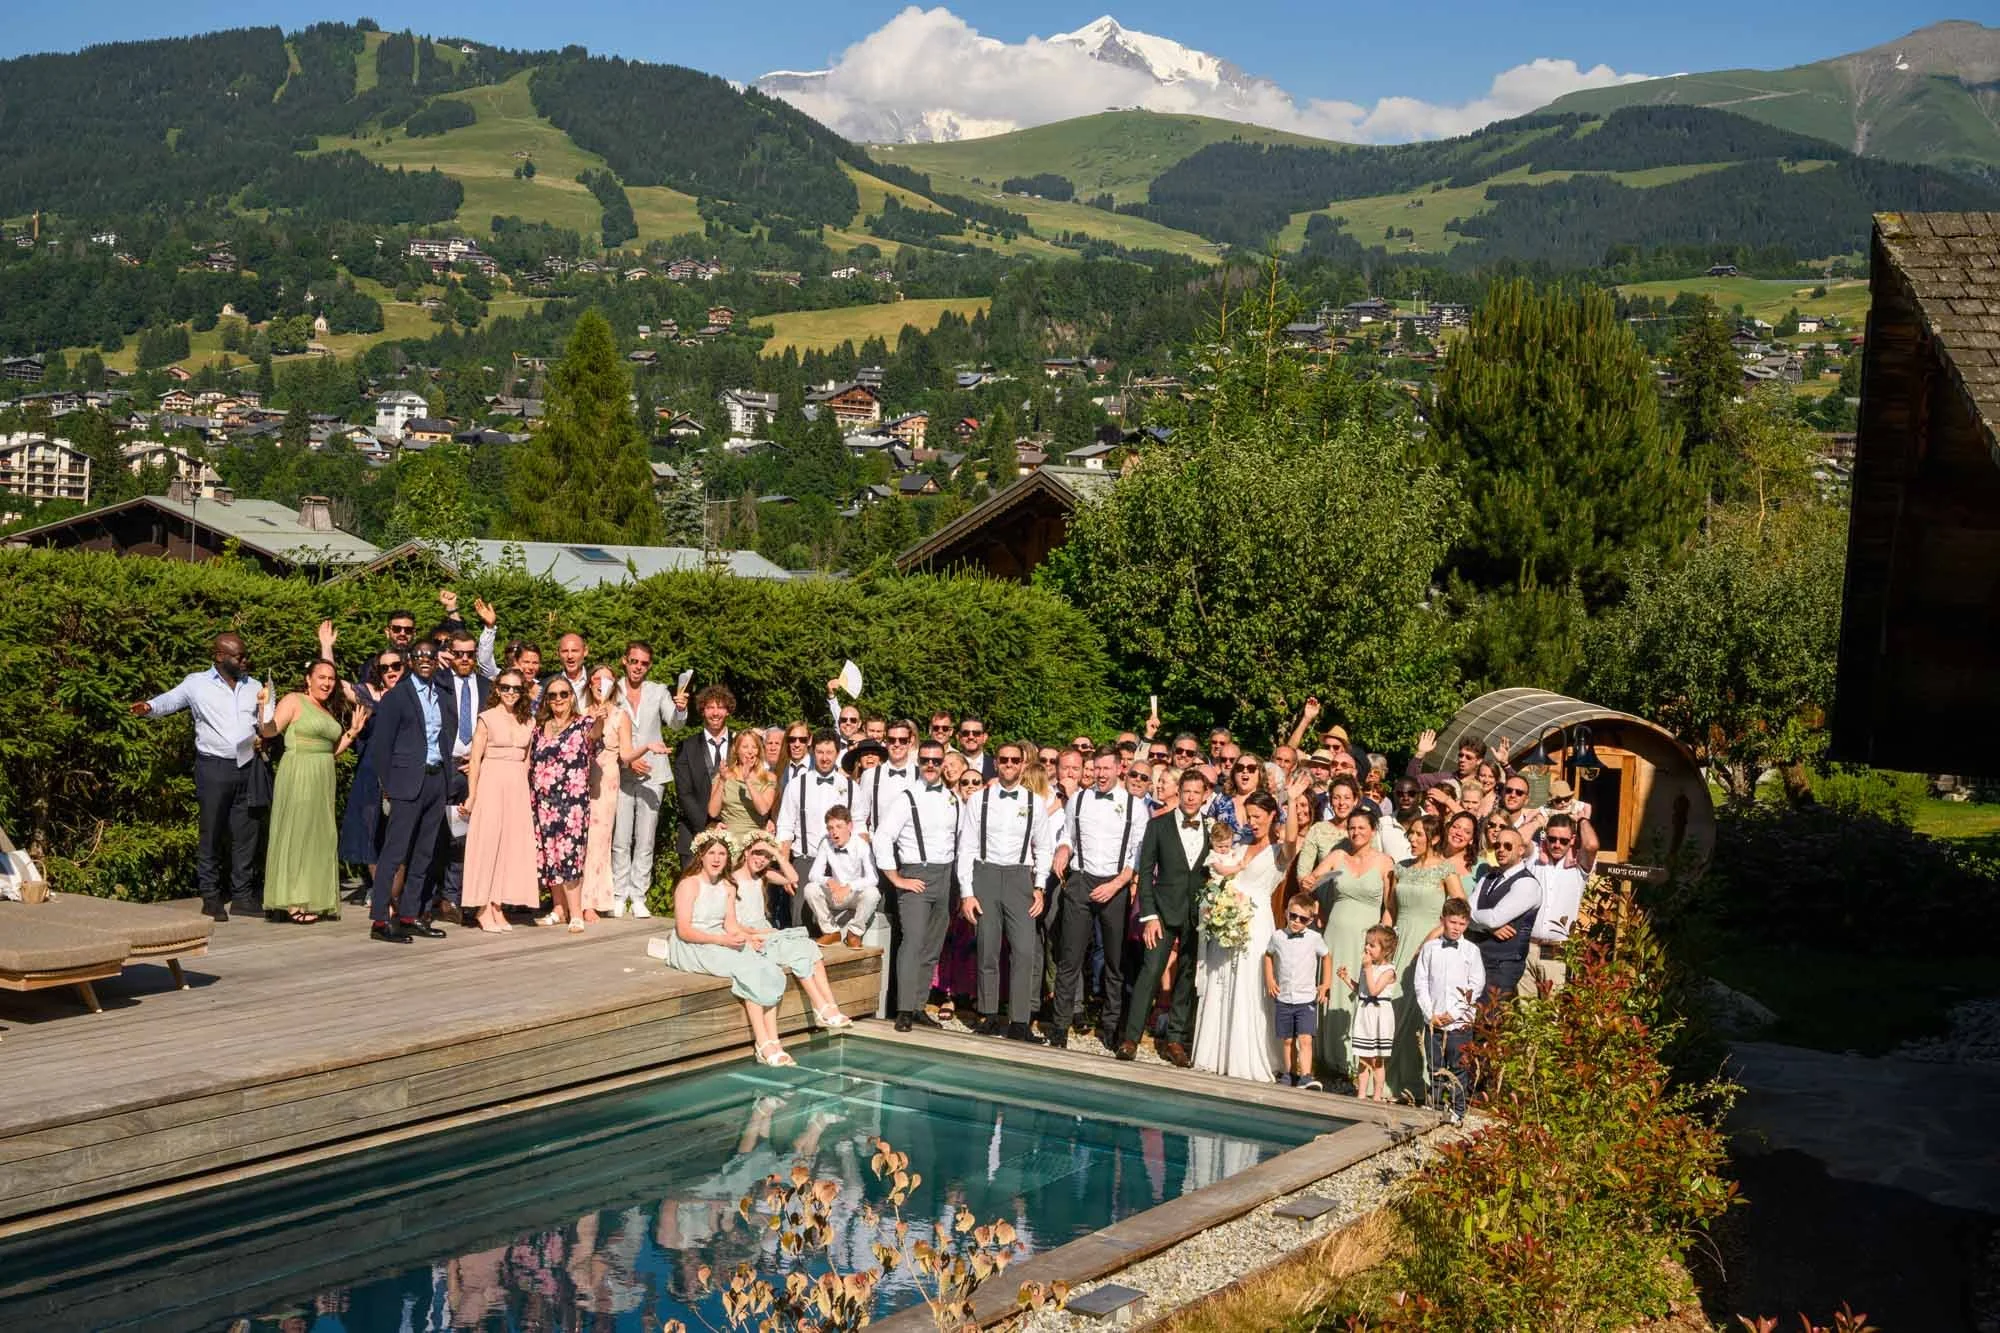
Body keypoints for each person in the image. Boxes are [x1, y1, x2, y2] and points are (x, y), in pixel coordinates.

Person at [130, 631, 264, 922]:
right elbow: (170, 700)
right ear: (220, 657)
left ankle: (242, 897)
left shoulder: (254, 686)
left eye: (245, 656)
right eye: (239, 656)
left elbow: (265, 721)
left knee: (246, 834)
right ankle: (211, 898)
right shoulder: (197, 683)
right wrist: (149, 707)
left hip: (248, 767)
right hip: (214, 768)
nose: (245, 661)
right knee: (211, 833)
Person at [651, 831, 800, 1068]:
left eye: (722, 854)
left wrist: (746, 939)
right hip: (694, 945)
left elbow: (730, 924)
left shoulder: (728, 885)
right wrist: (721, 941)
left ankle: (774, 1039)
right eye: (712, 853)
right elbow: (684, 930)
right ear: (701, 855)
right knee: (748, 970)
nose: (717, 859)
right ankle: (762, 1043)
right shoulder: (689, 885)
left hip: (721, 938)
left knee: (767, 965)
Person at [956, 741, 1054, 1042]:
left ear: (1023, 765)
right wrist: (966, 892)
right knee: (987, 948)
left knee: (1024, 951)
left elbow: (1044, 847)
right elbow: (966, 847)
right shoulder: (979, 800)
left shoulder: (1034, 802)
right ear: (996, 763)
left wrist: (1040, 885)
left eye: (1015, 760)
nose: (1009, 764)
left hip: (1020, 878)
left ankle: (1020, 1021)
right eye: (1004, 759)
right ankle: (988, 1015)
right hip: (985, 874)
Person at [1048, 751, 1147, 1050]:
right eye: (1097, 768)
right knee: (1070, 958)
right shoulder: (1079, 800)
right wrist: (1063, 849)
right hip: (1081, 881)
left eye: (1107, 768)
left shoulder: (1135, 806)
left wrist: (1116, 884)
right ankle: (1060, 1026)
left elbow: (1138, 854)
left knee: (1115, 962)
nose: (1101, 774)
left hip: (1115, 885)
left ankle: (1111, 1027)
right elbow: (1068, 835)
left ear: (1119, 769)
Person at [364, 640, 457, 943]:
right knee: (395, 852)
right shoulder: (397, 696)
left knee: (424, 853)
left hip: (436, 780)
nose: (425, 660)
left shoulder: (442, 694)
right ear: (410, 661)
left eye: (430, 656)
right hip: (406, 783)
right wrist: (389, 786)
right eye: (419, 656)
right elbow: (381, 747)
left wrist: (448, 777)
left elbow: (446, 735)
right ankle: (380, 920)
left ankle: (409, 915)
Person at [1190, 790, 1283, 1083]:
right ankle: (1215, 1054)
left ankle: (1246, 1056)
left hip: (1257, 921)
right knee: (1221, 979)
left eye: (1258, 817)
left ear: (1272, 816)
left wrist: (1290, 800)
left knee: (1249, 982)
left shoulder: (1280, 851)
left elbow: (1292, 840)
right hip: (1228, 916)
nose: (1252, 822)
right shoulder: (1239, 846)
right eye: (1249, 816)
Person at [260, 659, 361, 923]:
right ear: (308, 679)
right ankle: (293, 901)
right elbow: (270, 730)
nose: (327, 683)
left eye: (331, 679)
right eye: (321, 677)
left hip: (323, 777)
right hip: (299, 773)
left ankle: (311, 896)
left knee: (320, 836)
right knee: (298, 832)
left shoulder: (325, 709)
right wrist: (263, 709)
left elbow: (331, 751)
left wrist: (352, 732)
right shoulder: (294, 701)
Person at [875, 740, 960, 1030]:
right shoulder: (906, 798)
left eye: (936, 760)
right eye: (925, 760)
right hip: (916, 874)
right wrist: (896, 878)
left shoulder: (952, 798)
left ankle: (919, 1006)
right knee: (912, 942)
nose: (931, 765)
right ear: (919, 762)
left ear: (944, 763)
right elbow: (882, 837)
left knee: (933, 945)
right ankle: (904, 1009)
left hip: (945, 876)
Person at [733, 832, 854, 1028]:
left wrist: (777, 854)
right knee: (798, 953)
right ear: (746, 852)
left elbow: (793, 877)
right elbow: (731, 922)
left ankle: (830, 1005)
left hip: (766, 930)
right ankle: (821, 1007)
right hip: (749, 934)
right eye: (757, 853)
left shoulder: (763, 875)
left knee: (810, 947)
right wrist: (756, 934)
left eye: (766, 856)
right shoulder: (731, 880)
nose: (761, 860)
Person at [1315, 807, 1397, 1084]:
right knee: (1335, 988)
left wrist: (1382, 941)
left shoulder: (1384, 862)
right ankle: (1329, 1058)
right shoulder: (1339, 857)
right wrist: (1313, 883)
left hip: (1367, 941)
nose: (1356, 832)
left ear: (1373, 831)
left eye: (1362, 827)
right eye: (1351, 828)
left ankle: (1357, 1062)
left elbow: (1390, 906)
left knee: (1360, 992)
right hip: (1335, 934)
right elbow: (1313, 881)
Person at [612, 641, 688, 919]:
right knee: (620, 838)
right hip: (621, 771)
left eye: (644, 663)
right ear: (625, 661)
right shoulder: (612, 689)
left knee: (645, 839)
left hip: (653, 774)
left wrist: (680, 709)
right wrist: (627, 759)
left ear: (649, 666)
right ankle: (619, 894)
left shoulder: (658, 691)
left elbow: (675, 724)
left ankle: (638, 896)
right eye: (634, 661)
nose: (638, 667)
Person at [459, 669, 539, 933]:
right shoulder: (487, 718)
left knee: (510, 847)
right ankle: (481, 907)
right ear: (497, 689)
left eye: (516, 688)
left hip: (517, 786)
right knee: (487, 843)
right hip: (492, 781)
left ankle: (497, 905)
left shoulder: (529, 721)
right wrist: (472, 795)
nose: (510, 693)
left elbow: (527, 759)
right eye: (505, 687)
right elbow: (475, 759)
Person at [1390, 813, 1460, 1100]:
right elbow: (1390, 910)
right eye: (1411, 833)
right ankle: (1387, 1078)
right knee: (1392, 1006)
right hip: (1399, 942)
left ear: (1434, 837)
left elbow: (1459, 910)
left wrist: (1435, 934)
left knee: (1416, 1011)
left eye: (1419, 834)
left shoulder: (1445, 870)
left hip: (1427, 943)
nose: (1412, 838)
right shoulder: (1401, 868)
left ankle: (1415, 1083)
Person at [431, 629, 491, 925]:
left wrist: (480, 758)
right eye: (459, 653)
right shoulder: (437, 682)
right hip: (443, 768)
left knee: (463, 836)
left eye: (470, 654)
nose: (465, 659)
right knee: (433, 833)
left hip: (473, 769)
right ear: (450, 653)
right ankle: (427, 897)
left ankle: (452, 898)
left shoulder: (487, 685)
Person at [531, 673, 595, 932]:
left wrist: (601, 718)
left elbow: (596, 734)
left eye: (563, 694)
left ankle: (576, 913)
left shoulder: (583, 723)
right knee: (549, 854)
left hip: (572, 803)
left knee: (570, 855)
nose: (558, 699)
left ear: (572, 697)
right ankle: (558, 909)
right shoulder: (538, 728)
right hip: (543, 802)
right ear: (546, 699)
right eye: (552, 695)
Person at [338, 647, 402, 898]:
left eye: (396, 666)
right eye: (385, 668)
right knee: (371, 832)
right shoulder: (371, 695)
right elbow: (338, 685)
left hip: (403, 773)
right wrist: (327, 647)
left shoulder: (413, 695)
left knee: (399, 835)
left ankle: (395, 894)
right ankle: (382, 893)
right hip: (371, 773)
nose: (391, 671)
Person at [1414, 898, 1484, 1124]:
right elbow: (1421, 982)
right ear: (1442, 920)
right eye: (1453, 922)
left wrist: (1454, 1014)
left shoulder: (1471, 951)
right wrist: (1430, 1014)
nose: (1456, 928)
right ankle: (1434, 1106)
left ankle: (1458, 1110)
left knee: (1458, 1067)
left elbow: (1476, 985)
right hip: (1434, 1020)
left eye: (1462, 924)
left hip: (1459, 1022)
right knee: (1434, 1066)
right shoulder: (1429, 948)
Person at [775, 730, 851, 928]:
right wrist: (785, 868)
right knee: (801, 924)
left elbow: (859, 829)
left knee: (837, 926)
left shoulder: (850, 787)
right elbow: (785, 828)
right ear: (812, 752)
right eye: (820, 752)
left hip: (842, 863)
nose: (825, 758)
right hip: (805, 862)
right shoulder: (796, 786)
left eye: (829, 752)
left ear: (837, 753)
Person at [581, 666, 636, 924]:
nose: (601, 684)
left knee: (599, 841)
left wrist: (647, 749)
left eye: (607, 680)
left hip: (606, 780)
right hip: (579, 778)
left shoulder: (621, 715)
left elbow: (626, 754)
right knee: (578, 840)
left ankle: (592, 901)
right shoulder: (581, 712)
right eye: (596, 679)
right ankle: (572, 899)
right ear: (589, 683)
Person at [1522, 813, 1594, 995]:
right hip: (1527, 947)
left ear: (1572, 840)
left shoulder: (1578, 863)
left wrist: (1582, 820)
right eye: (1552, 839)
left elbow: (1591, 845)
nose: (1557, 845)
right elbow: (1518, 840)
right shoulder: (1534, 857)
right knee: (1524, 1009)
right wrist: (1538, 821)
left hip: (1556, 950)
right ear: (1545, 837)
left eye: (1563, 841)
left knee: (1552, 1009)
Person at [1267, 892, 1333, 1090]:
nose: (1296, 921)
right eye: (1293, 916)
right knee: (1288, 1040)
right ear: (1286, 913)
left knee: (1305, 1038)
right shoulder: (1277, 936)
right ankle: (1289, 1074)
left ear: (1310, 920)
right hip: (1284, 997)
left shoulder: (1314, 938)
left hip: (1306, 999)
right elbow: (1268, 955)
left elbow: (1327, 956)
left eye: (1302, 919)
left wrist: (1325, 984)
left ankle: (1306, 1076)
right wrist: (1270, 979)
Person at [1468, 824, 1542, 999]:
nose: (1501, 850)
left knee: (1491, 1014)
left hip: (1503, 965)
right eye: (1497, 845)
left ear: (1521, 850)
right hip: (1476, 957)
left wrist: (1478, 921)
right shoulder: (1487, 877)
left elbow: (1494, 918)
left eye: (1508, 846)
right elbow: (1467, 912)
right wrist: (1487, 927)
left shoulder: (1527, 883)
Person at [671, 685, 735, 864]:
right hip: (694, 833)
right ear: (702, 711)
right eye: (710, 707)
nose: (715, 713)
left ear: (728, 711)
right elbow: (684, 794)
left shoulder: (741, 744)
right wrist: (707, 826)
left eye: (720, 707)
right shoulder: (686, 747)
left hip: (733, 832)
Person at [803, 805, 879, 946]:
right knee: (810, 888)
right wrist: (829, 881)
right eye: (830, 828)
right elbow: (813, 874)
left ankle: (854, 933)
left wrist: (849, 887)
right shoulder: (826, 843)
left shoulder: (862, 845)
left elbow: (873, 878)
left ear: (849, 826)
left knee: (873, 893)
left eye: (839, 826)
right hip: (835, 894)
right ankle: (831, 931)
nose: (834, 832)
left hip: (854, 895)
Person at [1338, 925, 1398, 1102]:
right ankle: (1361, 1094)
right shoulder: (1367, 967)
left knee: (1377, 1059)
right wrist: (1346, 979)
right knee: (1363, 1058)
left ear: (1385, 950)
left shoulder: (1388, 971)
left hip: (1379, 1016)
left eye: (1372, 945)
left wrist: (1368, 968)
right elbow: (1363, 990)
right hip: (1365, 1013)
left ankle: (1377, 1096)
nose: (1367, 948)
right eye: (1366, 944)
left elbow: (1374, 991)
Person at [708, 730, 775, 840]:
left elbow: (763, 810)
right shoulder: (723, 775)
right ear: (736, 750)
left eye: (754, 747)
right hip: (729, 837)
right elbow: (713, 812)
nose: (750, 751)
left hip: (756, 837)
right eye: (745, 747)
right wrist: (722, 781)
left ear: (759, 750)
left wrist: (747, 779)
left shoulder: (768, 778)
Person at [854, 719, 918, 834]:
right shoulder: (870, 775)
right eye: (892, 740)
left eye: (902, 740)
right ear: (886, 741)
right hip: (878, 842)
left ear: (911, 741)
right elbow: (860, 818)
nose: (897, 744)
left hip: (912, 844)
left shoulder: (920, 776)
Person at [546, 632, 591, 701]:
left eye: (574, 651)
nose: (570, 656)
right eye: (565, 651)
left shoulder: (596, 682)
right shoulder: (546, 685)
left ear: (585, 651)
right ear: (558, 653)